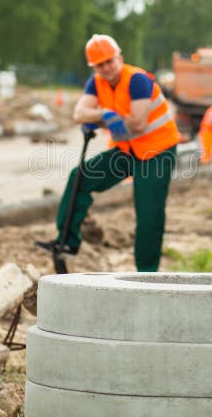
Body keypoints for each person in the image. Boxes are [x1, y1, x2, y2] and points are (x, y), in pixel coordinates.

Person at [35, 34, 180, 272]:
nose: (106, 68)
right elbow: (79, 114)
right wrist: (104, 115)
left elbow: (139, 123)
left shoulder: (138, 80)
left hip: (157, 152)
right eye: (99, 65)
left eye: (109, 61)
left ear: (119, 58)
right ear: (94, 67)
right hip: (127, 150)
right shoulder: (96, 83)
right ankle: (67, 241)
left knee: (148, 212)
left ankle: (147, 272)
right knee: (80, 177)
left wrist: (100, 118)